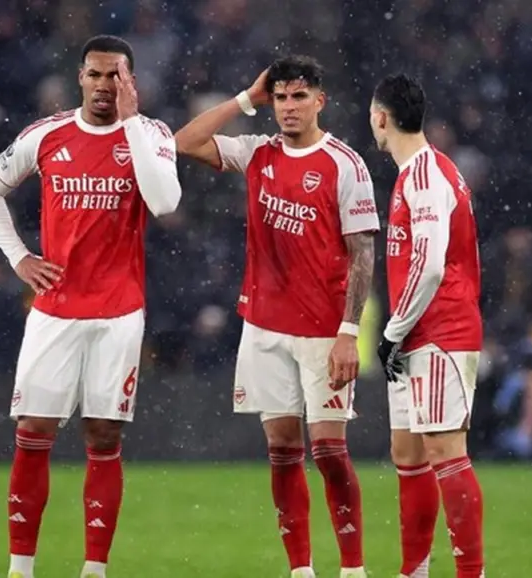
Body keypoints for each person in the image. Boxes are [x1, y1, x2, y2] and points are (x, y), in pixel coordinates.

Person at [0, 35, 181, 578]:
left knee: (104, 435)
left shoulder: (152, 135)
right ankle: (21, 568)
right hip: (54, 311)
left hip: (119, 313)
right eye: (96, 74)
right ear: (80, 78)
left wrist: (131, 123)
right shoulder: (47, 134)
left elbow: (164, 202)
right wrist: (19, 257)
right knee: (33, 431)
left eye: (116, 75)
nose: (105, 85)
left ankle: (95, 568)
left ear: (130, 81)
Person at [174, 55, 378, 578]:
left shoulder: (345, 164)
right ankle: (300, 570)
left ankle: (352, 569)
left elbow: (363, 253)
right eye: (281, 97)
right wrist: (246, 98)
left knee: (328, 451)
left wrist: (348, 333)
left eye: (298, 97)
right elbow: (184, 142)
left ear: (319, 101)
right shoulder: (257, 152)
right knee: (283, 450)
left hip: (323, 332)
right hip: (264, 327)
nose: (288, 107)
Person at [370, 74, 486, 578]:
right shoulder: (427, 171)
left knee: (444, 450)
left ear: (380, 119)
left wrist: (394, 330)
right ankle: (413, 571)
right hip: (416, 333)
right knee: (408, 451)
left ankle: (471, 573)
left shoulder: (423, 176)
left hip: (439, 331)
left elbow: (431, 263)